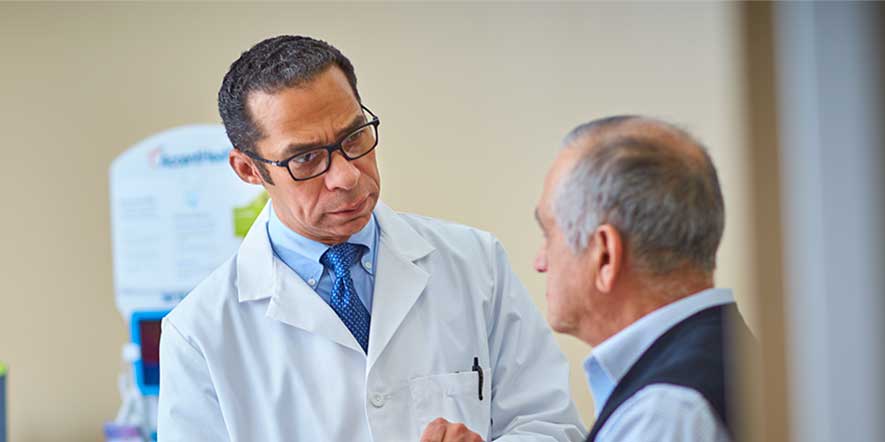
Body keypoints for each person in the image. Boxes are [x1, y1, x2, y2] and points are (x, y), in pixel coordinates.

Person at [156, 35, 584, 442]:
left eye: (354, 136)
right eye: (306, 158)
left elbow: (551, 425)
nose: (346, 176)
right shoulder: (200, 334)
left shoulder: (475, 263)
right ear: (249, 170)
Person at [533, 116, 754, 441]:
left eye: (548, 233)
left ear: (605, 254)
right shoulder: (732, 356)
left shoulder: (665, 415)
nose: (540, 262)